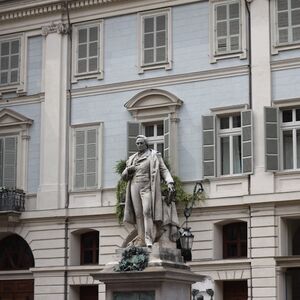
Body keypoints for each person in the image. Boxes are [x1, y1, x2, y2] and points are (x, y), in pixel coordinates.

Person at [122, 135, 178, 248]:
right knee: (138, 214)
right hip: (134, 186)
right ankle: (141, 238)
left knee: (147, 212)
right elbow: (124, 177)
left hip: (147, 186)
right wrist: (128, 169)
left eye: (141, 143)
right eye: (137, 143)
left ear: (146, 143)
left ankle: (148, 238)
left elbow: (164, 170)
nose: (139, 145)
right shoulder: (132, 158)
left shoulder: (154, 155)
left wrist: (170, 182)